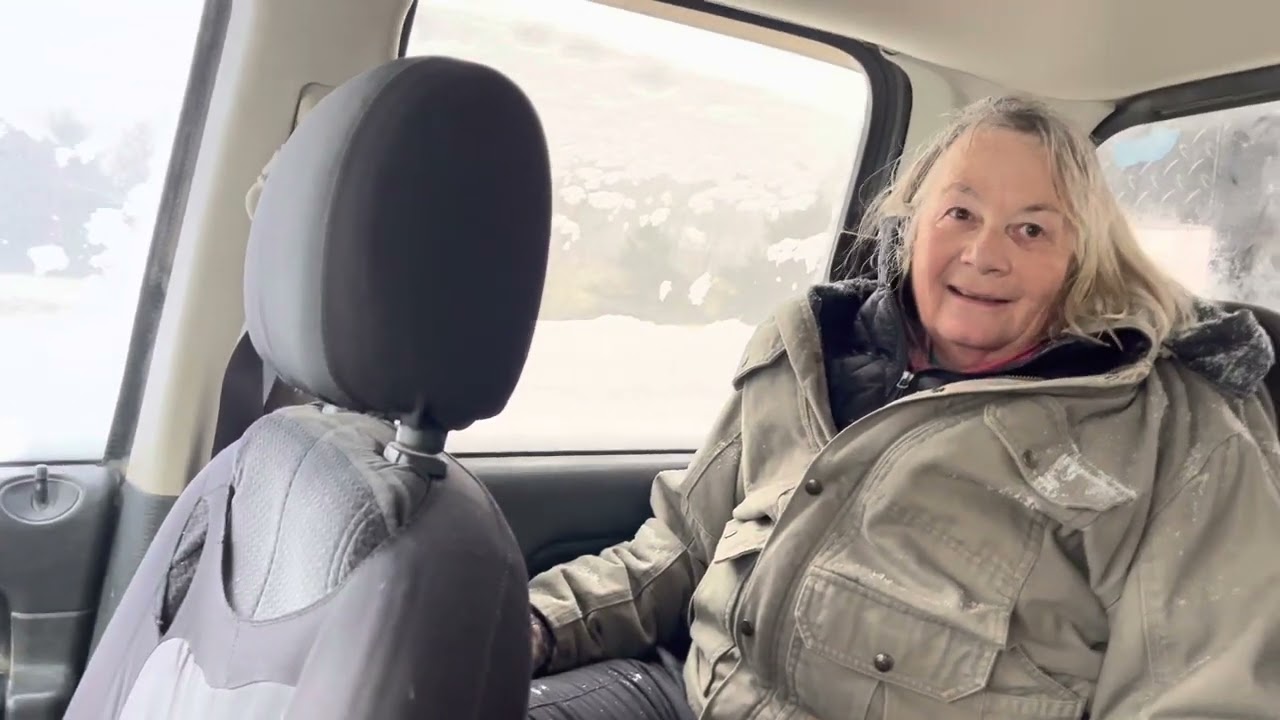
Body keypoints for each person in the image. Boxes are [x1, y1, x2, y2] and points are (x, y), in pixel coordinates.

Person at [524, 95, 1280, 719]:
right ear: (910, 221)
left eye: (1031, 229)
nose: (985, 254)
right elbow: (680, 552)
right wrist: (517, 628)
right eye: (960, 213)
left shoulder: (1172, 431)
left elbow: (1201, 694)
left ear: (1078, 259)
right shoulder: (805, 355)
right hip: (686, 692)